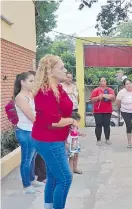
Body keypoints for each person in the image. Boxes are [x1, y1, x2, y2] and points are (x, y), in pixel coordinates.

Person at [32, 54, 75, 209]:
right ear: (50, 71)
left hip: (53, 138)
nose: (65, 70)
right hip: (48, 140)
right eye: (61, 67)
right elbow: (54, 121)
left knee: (53, 177)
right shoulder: (46, 92)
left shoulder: (57, 88)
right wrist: (71, 121)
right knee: (65, 178)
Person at [13, 72, 44, 194]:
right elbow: (31, 116)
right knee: (27, 159)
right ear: (22, 82)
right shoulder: (20, 97)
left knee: (33, 157)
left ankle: (32, 179)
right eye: (31, 81)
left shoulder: (31, 95)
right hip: (26, 132)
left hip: (33, 130)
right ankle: (26, 185)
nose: (34, 83)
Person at [28, 70, 46, 184]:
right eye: (32, 81)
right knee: (36, 153)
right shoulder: (26, 95)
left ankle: (39, 175)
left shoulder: (38, 92)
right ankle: (40, 176)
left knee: (39, 153)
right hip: (33, 127)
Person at [90, 77, 116, 146]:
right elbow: (92, 100)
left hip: (107, 111)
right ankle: (98, 139)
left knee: (107, 125)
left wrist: (104, 95)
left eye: (104, 81)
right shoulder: (96, 90)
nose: (103, 82)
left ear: (106, 82)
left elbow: (113, 98)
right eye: (101, 81)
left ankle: (107, 139)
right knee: (98, 125)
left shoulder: (110, 89)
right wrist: (98, 97)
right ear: (99, 82)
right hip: (97, 111)